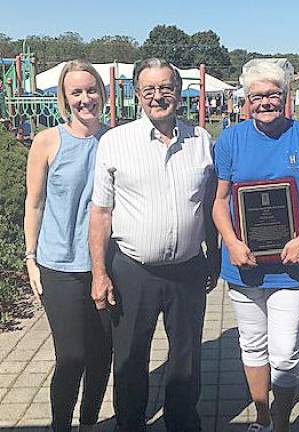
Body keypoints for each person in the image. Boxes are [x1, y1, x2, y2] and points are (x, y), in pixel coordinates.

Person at [89, 58, 219, 432]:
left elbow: (209, 206)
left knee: (187, 357)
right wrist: (100, 273)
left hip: (189, 267)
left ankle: (182, 422)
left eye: (166, 88)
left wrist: (214, 258)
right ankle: (130, 423)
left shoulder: (201, 140)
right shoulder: (115, 141)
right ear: (137, 94)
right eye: (149, 89)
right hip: (132, 269)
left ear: (179, 93)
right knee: (130, 358)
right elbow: (100, 213)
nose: (158, 96)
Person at [212, 61, 299, 432]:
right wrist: (231, 243)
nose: (265, 102)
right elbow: (218, 200)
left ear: (285, 97)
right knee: (252, 344)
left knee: (284, 354)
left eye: (272, 95)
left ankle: (280, 423)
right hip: (243, 263)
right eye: (257, 97)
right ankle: (262, 418)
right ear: (246, 101)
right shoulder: (231, 139)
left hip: (290, 265)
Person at [23, 59, 111, 432]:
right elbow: (35, 202)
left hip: (105, 264)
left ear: (102, 94)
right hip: (59, 265)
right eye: (76, 92)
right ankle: (61, 425)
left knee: (102, 356)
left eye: (91, 90)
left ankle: (88, 423)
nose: (85, 98)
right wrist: (29, 257)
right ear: (64, 97)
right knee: (72, 356)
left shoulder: (114, 140)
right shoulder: (47, 141)